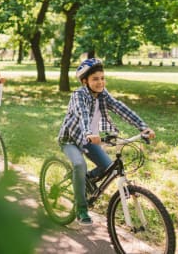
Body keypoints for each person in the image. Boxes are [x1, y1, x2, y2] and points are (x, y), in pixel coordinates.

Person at [57, 58, 155, 225]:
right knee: (80, 165)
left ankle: (83, 180)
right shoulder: (78, 96)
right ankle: (81, 209)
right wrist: (89, 132)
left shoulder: (103, 95)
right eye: (95, 79)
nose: (100, 82)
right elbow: (82, 115)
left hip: (89, 140)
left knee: (108, 167)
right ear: (84, 81)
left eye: (102, 78)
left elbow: (120, 108)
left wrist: (142, 127)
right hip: (71, 139)